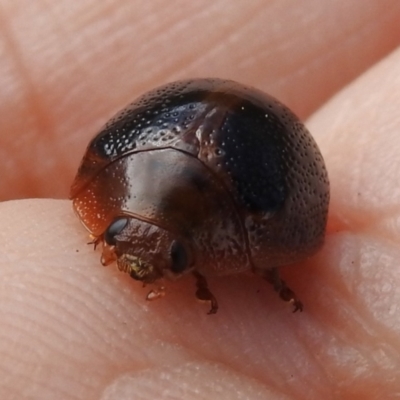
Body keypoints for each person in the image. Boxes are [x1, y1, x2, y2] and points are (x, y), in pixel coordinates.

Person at [1, 1, 400, 398]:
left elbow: (287, 241)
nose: (138, 263)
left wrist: (269, 275)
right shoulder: (120, 181)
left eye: (178, 256)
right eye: (116, 231)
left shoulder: (237, 221)